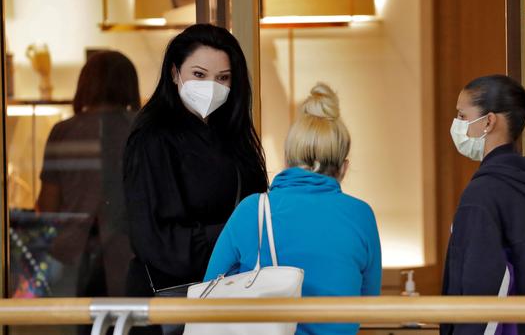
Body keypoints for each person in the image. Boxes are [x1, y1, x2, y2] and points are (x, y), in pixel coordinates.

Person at [204, 83, 382, 335]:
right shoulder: (361, 215)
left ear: (287, 161)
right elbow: (368, 303)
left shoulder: (252, 210)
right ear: (343, 168)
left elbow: (210, 290)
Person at [122, 23, 268, 302]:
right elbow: (154, 237)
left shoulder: (232, 135)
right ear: (175, 73)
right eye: (199, 74)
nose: (211, 87)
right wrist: (232, 237)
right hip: (173, 299)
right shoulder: (151, 137)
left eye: (223, 78)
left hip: (226, 291)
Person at [441, 75, 525, 335]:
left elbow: (480, 295)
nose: (457, 126)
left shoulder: (482, 195)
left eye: (462, 116)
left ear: (489, 121)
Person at [37, 50, 139, 299]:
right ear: (129, 85)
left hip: (72, 257)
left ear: (85, 85)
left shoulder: (63, 131)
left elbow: (47, 205)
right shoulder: (140, 129)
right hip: (130, 256)